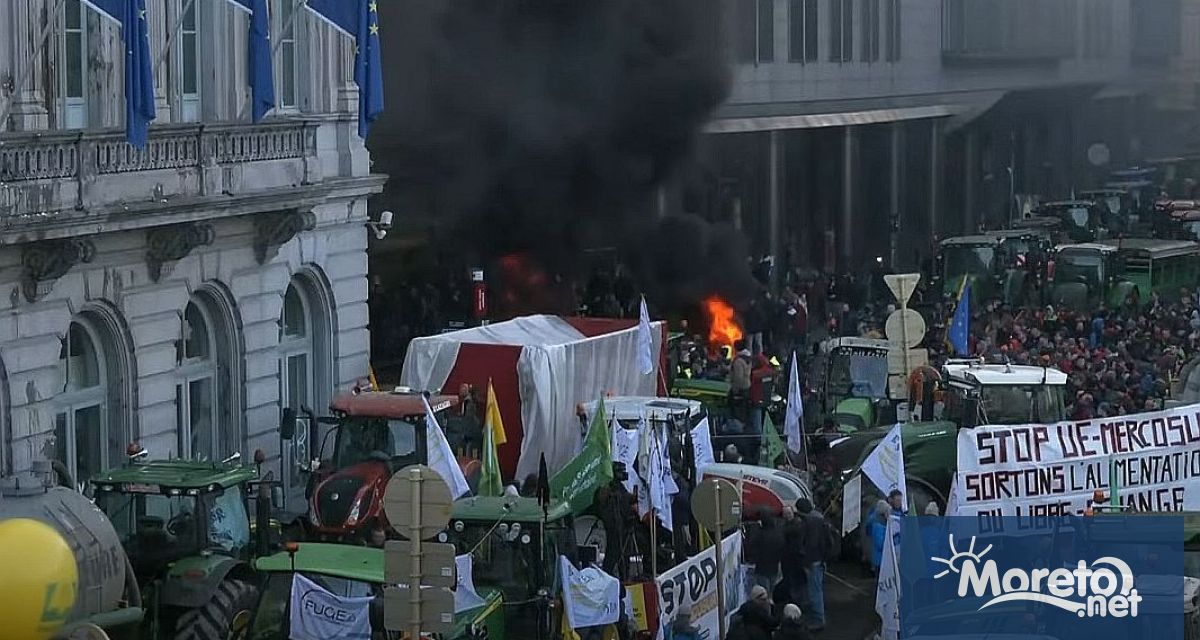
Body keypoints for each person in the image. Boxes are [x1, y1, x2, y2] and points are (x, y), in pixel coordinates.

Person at [795, 498, 828, 632]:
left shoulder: (810, 521)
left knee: (815, 591)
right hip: (820, 559)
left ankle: (818, 619)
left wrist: (806, 563)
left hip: (813, 561)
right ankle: (818, 617)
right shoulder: (819, 517)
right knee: (817, 589)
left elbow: (810, 544)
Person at [866, 501, 890, 573]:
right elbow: (880, 543)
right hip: (880, 559)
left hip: (881, 558)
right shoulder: (878, 525)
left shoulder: (880, 522)